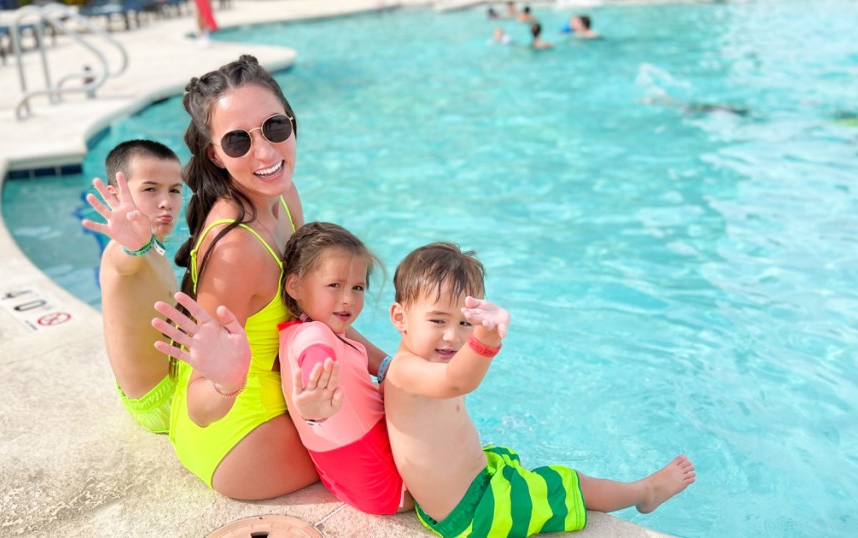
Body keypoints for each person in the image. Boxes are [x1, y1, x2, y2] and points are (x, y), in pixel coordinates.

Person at [150, 55, 387, 500]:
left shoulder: (284, 196)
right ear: (215, 155)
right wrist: (228, 380)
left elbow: (319, 308)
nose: (265, 152)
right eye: (238, 141)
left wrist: (386, 365)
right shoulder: (236, 250)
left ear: (293, 124)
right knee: (405, 457)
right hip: (240, 436)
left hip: (297, 402)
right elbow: (201, 404)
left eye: (275, 128)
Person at [383, 243, 696, 537]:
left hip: (466, 494)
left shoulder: (418, 365)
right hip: (474, 513)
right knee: (567, 483)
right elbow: (457, 381)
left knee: (510, 463)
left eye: (465, 324)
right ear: (400, 317)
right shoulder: (405, 370)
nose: (452, 336)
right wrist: (486, 338)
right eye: (438, 320)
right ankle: (644, 492)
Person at [277, 222, 412, 514]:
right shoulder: (315, 337)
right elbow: (317, 360)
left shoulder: (297, 330)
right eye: (334, 285)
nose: (348, 298)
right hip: (389, 484)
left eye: (358, 287)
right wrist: (313, 410)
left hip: (350, 484)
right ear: (295, 286)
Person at [80, 140, 183, 434]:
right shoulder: (121, 253)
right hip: (162, 401)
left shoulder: (152, 246)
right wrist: (133, 246)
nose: (167, 202)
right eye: (150, 189)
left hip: (156, 391)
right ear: (116, 196)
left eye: (174, 190)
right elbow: (127, 260)